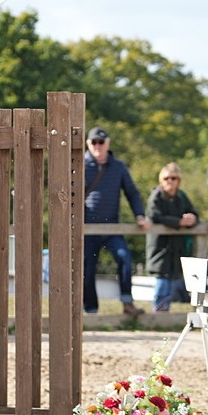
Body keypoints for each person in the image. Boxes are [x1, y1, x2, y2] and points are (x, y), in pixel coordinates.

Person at [83, 126, 149, 316]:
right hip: (88, 228)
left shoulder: (118, 166)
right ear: (88, 144)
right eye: (94, 142)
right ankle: (91, 310)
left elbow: (132, 193)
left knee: (125, 258)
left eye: (101, 142)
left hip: (112, 227)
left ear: (107, 144)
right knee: (87, 267)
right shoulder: (80, 165)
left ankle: (127, 303)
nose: (97, 145)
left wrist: (139, 215)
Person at [145, 162, 199, 313]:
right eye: (167, 178)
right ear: (161, 180)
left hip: (176, 248)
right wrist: (178, 222)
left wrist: (191, 219)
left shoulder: (181, 197)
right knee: (162, 281)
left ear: (178, 180)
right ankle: (159, 314)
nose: (170, 181)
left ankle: (165, 314)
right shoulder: (156, 196)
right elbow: (153, 216)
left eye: (173, 178)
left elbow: (194, 214)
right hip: (160, 247)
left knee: (172, 284)